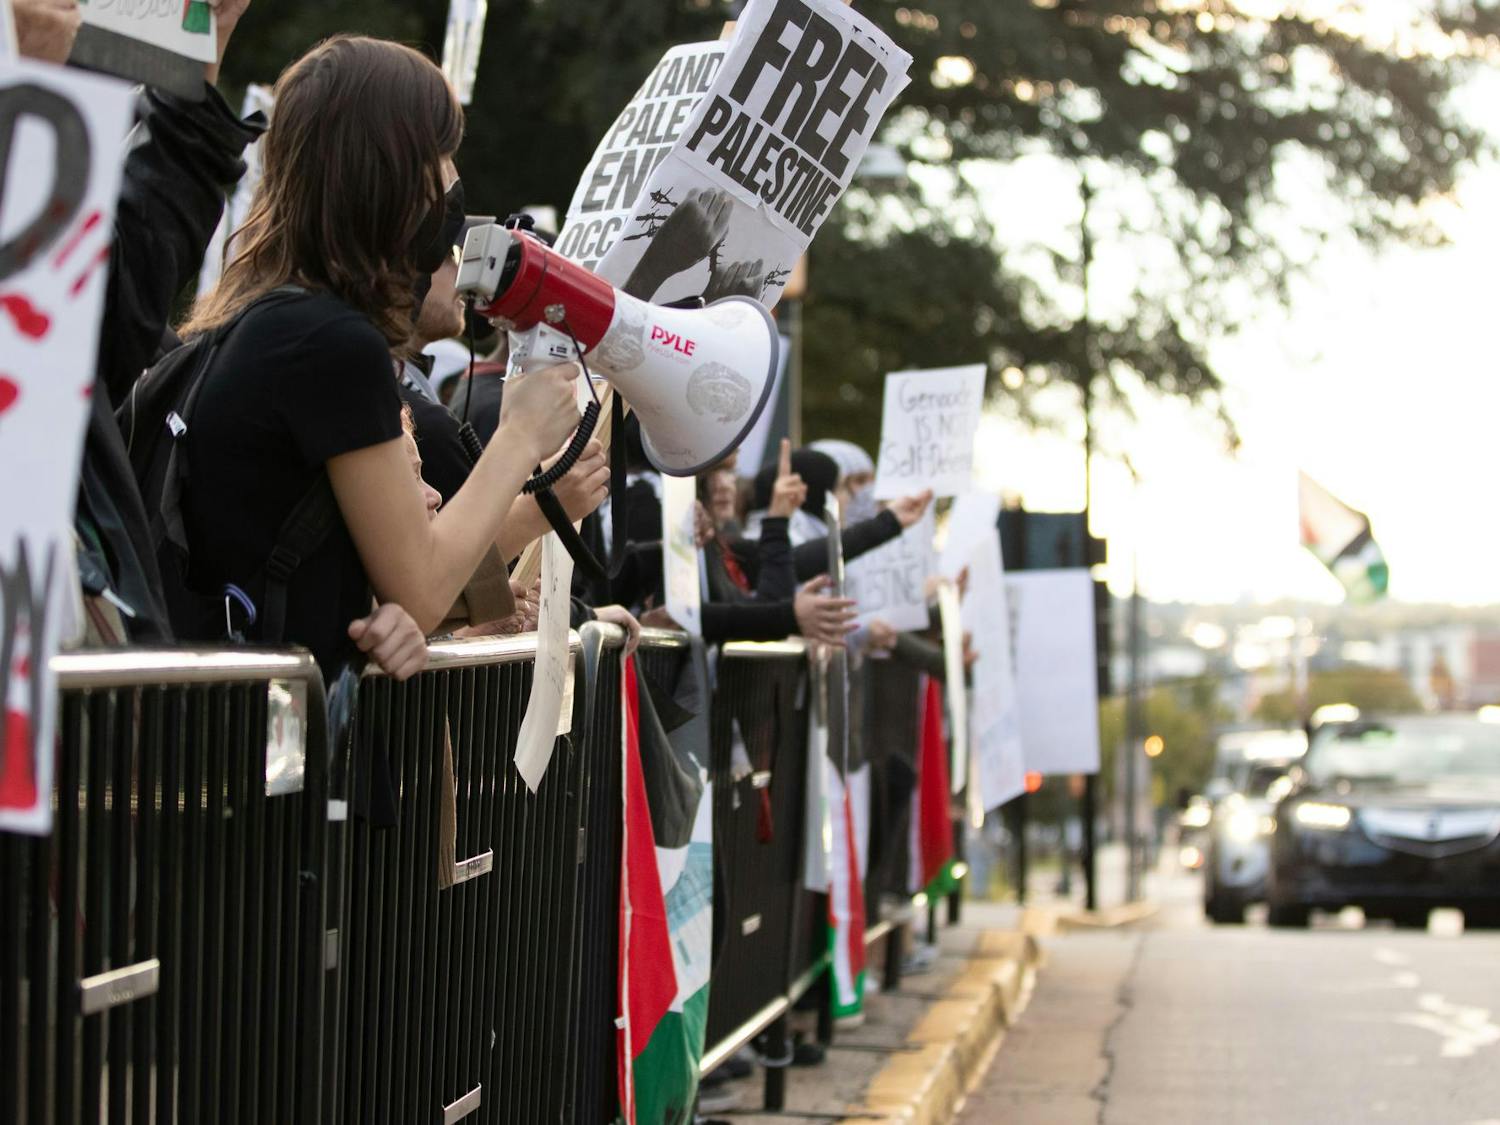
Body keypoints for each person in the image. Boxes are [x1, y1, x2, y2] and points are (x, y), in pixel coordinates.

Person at [179, 35, 582, 680]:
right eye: (439, 158)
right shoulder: (330, 343)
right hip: (275, 756)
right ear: (388, 174)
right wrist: (521, 436)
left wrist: (382, 608)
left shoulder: (264, 317)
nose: (452, 187)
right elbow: (421, 583)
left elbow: (356, 573)